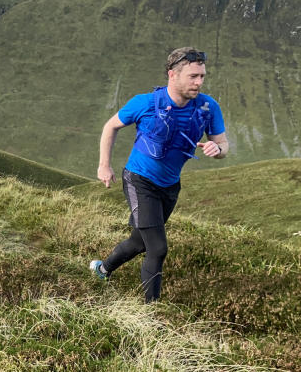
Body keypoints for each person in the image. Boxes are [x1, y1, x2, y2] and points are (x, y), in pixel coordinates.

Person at [90, 47, 228, 303]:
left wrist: (217, 148)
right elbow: (111, 126)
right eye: (193, 76)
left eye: (202, 76)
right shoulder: (144, 103)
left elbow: (224, 146)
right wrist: (103, 165)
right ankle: (150, 313)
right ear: (172, 75)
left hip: (170, 186)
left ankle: (102, 269)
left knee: (139, 241)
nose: (199, 82)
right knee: (158, 248)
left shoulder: (208, 107)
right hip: (139, 180)